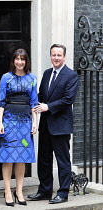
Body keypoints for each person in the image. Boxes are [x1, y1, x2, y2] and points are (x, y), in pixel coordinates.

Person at [27, 44, 78, 204]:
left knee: (63, 161)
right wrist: (28, 99)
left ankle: (63, 193)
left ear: (64, 57)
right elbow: (42, 94)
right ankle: (45, 191)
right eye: (53, 55)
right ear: (50, 56)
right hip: (45, 125)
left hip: (60, 125)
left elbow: (68, 99)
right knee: (44, 159)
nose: (56, 58)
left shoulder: (71, 75)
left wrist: (47, 107)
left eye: (59, 55)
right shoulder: (47, 73)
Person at [0, 48, 38, 206]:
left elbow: (34, 102)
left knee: (22, 158)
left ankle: (19, 191)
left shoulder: (32, 78)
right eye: (17, 59)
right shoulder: (6, 78)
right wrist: (0, 122)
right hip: (9, 122)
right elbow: (1, 102)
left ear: (26, 62)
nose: (20, 62)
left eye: (23, 59)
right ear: (13, 60)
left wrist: (35, 121)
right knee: (8, 158)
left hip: (25, 123)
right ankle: (7, 190)